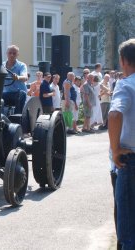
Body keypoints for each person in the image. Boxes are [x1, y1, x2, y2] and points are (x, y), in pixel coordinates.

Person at [108, 38, 135, 250]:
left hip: (130, 161)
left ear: (124, 61)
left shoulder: (126, 84)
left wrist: (116, 150)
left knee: (128, 234)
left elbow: (115, 114)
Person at [2, 45, 28, 114]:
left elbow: (25, 77)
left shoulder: (21, 65)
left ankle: (17, 118)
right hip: (6, 93)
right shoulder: (2, 66)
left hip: (18, 93)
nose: (12, 55)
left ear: (17, 54)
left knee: (21, 95)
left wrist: (18, 77)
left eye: (14, 53)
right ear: (6, 54)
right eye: (10, 53)